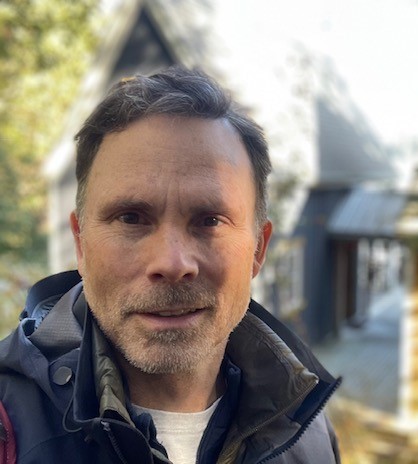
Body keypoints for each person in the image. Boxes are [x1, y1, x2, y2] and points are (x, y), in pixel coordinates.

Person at [0, 67, 341, 464]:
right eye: (131, 218)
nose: (172, 262)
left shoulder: (308, 433)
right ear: (80, 242)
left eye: (210, 220)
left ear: (258, 249)